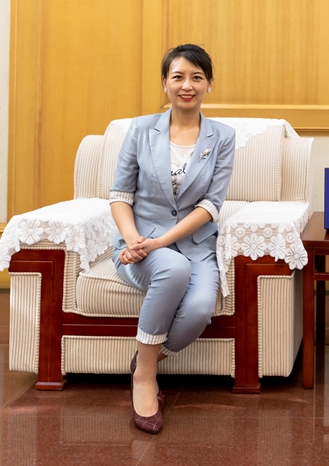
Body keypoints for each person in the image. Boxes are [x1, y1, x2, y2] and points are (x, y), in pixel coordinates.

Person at [109, 43, 235, 433]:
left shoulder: (223, 136)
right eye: (178, 76)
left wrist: (162, 242)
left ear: (209, 84)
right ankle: (145, 379)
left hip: (193, 245)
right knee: (174, 270)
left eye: (197, 77)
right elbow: (120, 195)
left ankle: (143, 361)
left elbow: (211, 206)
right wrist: (133, 240)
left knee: (199, 309)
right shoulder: (140, 129)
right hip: (139, 243)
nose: (187, 85)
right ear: (165, 82)